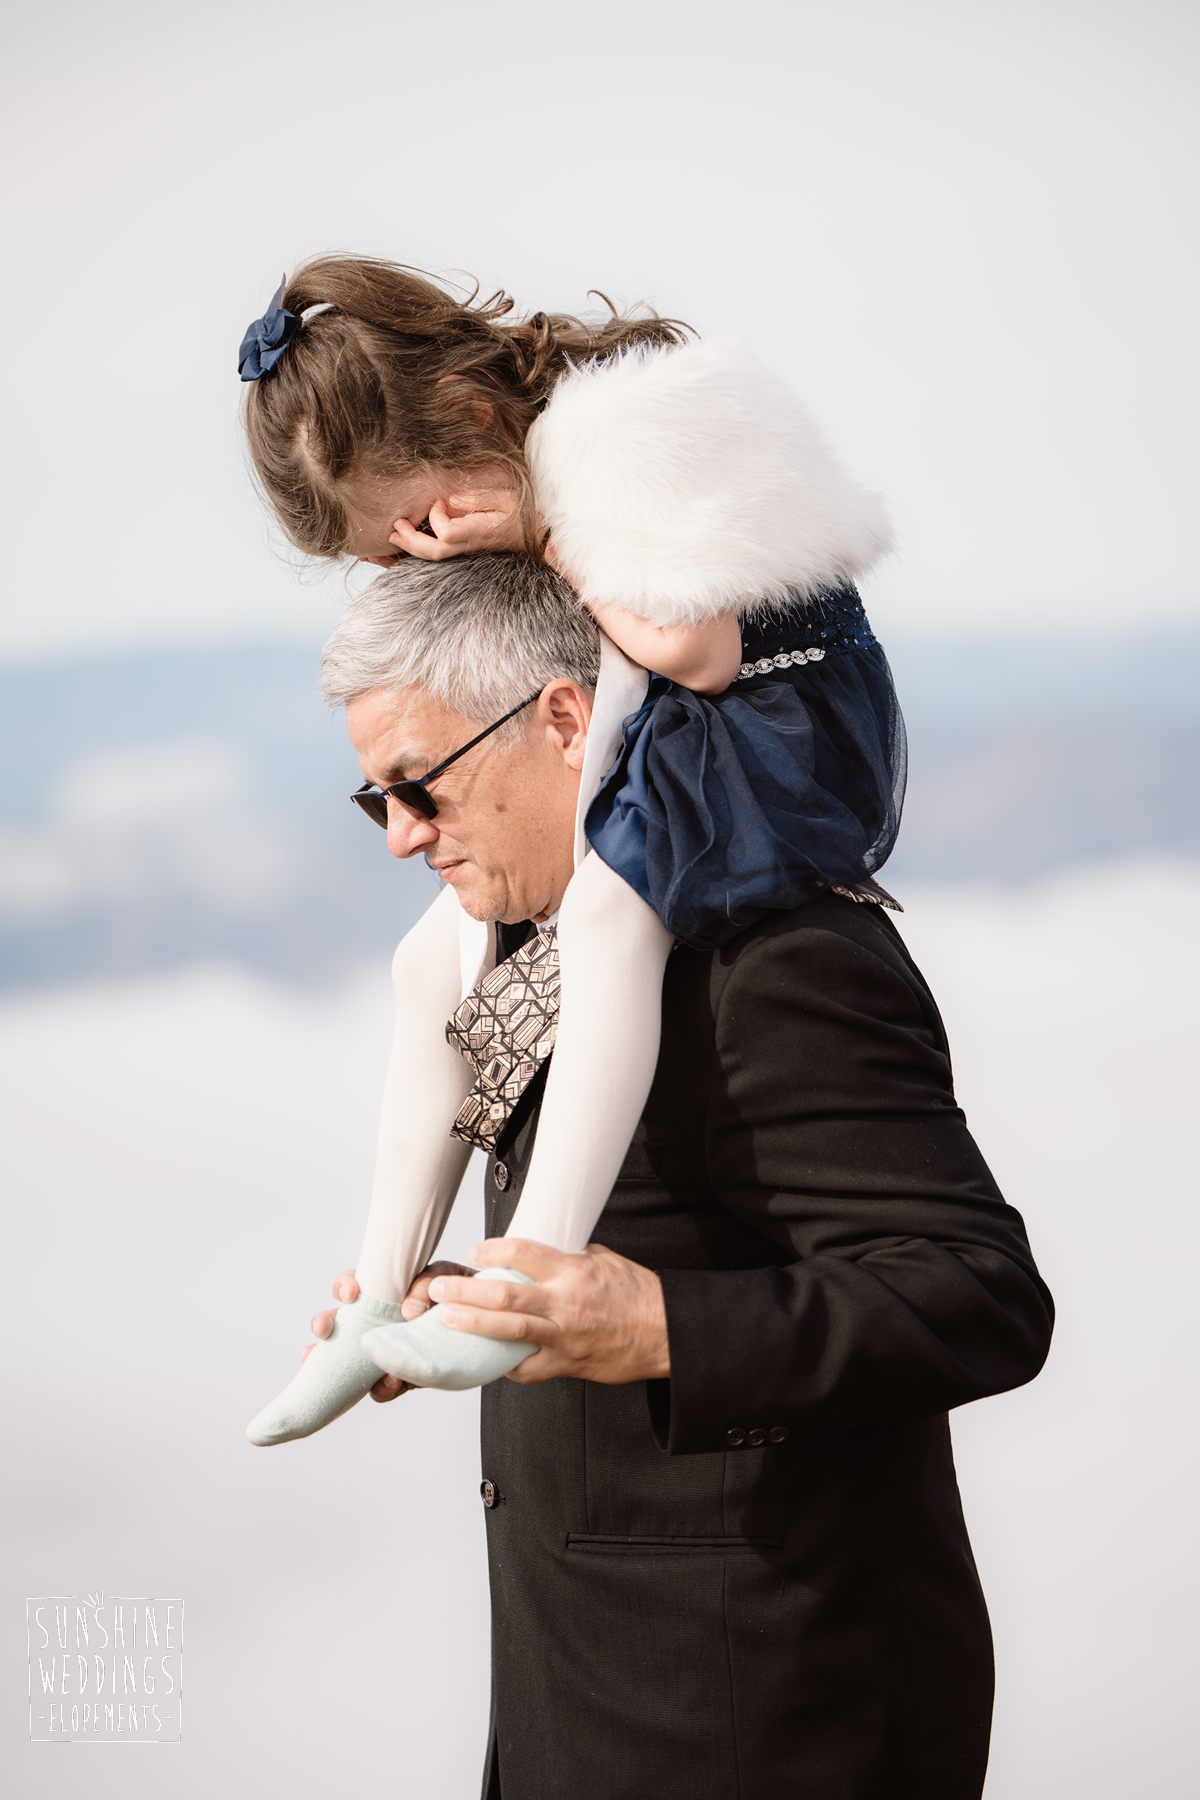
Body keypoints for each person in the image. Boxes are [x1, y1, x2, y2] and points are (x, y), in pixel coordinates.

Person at [303, 551, 1056, 1799]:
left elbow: (982, 1295)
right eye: (373, 798)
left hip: (768, 1733)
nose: (401, 837)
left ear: (563, 720)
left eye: (420, 785)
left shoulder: (776, 961)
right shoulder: (529, 957)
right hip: (580, 1719)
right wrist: (481, 1299)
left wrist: (660, 1328)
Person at [239, 257, 906, 1442]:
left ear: (470, 419)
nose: (415, 560)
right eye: (382, 557)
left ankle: (525, 1282)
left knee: (605, 915)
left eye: (408, 528)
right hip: (672, 710)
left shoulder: (614, 444)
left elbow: (698, 652)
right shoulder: (515, 463)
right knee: (426, 961)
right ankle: (374, 1299)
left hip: (777, 721)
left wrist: (547, 532)